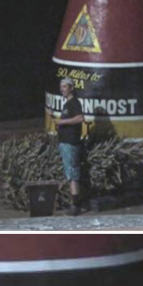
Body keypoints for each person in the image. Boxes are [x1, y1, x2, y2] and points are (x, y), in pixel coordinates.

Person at [54, 78, 86, 215]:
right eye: (61, 87)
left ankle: (75, 205)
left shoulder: (74, 103)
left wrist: (62, 122)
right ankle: (73, 202)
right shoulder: (67, 104)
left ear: (71, 88)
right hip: (65, 142)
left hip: (70, 143)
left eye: (65, 87)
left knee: (73, 173)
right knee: (69, 172)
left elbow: (80, 118)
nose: (62, 89)